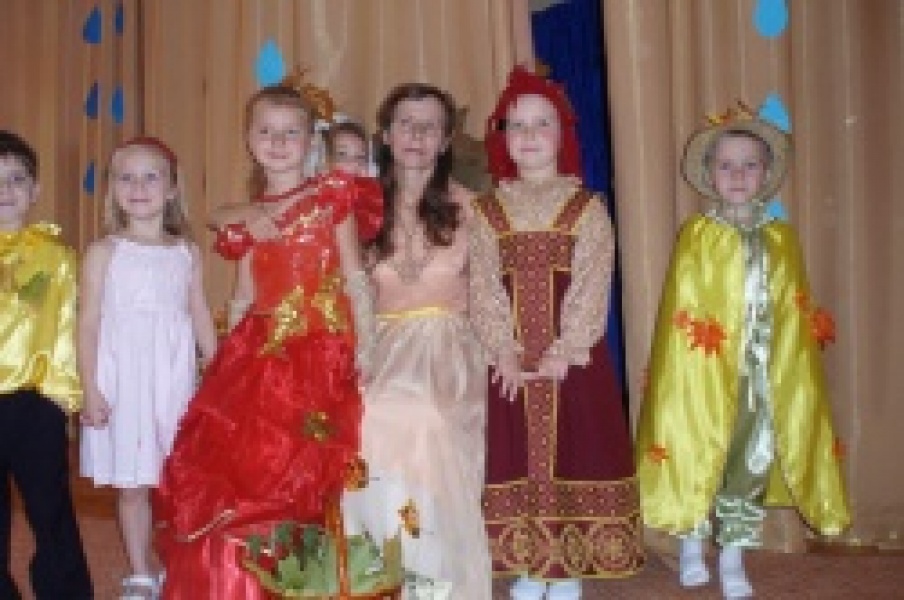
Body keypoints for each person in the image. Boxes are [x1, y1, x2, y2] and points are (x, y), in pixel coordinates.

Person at [152, 83, 380, 599]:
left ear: (310, 141)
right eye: (266, 132)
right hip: (258, 352)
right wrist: (225, 361)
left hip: (318, 351)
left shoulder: (331, 200)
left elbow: (354, 277)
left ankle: (296, 578)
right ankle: (231, 582)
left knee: (294, 470)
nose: (277, 143)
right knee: (235, 471)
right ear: (249, 141)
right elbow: (244, 294)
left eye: (290, 132)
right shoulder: (248, 217)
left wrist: (366, 346)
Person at [634, 103, 851, 598]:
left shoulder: (781, 239)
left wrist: (786, 368)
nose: (737, 175)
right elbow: (681, 309)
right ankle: (692, 544)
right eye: (726, 165)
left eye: (749, 165)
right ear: (710, 174)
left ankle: (732, 554)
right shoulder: (697, 236)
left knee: (750, 461)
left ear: (766, 174)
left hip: (760, 377)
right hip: (702, 374)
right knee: (696, 449)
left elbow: (794, 310)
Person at [469, 66, 644, 600]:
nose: (528, 135)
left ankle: (565, 568)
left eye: (541, 123)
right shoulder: (486, 211)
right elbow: (482, 285)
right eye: (516, 125)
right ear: (502, 137)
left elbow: (593, 280)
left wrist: (567, 349)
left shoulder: (586, 208)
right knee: (518, 454)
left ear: (562, 133)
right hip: (512, 363)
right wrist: (503, 349)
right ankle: (530, 563)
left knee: (573, 450)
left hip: (572, 362)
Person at [341, 82, 492, 599]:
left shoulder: (473, 210)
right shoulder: (360, 208)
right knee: (364, 411)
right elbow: (349, 290)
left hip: (449, 344)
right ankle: (377, 572)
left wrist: (504, 354)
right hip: (377, 339)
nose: (417, 135)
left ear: (446, 140)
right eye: (406, 123)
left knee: (420, 412)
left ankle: (431, 575)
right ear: (385, 134)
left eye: (430, 127)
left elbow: (489, 295)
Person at [79, 136, 217, 598]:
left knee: (178, 478)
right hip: (124, 380)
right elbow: (88, 322)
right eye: (126, 178)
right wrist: (90, 387)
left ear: (172, 187)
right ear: (113, 189)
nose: (138, 187)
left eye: (150, 177)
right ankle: (140, 571)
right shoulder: (104, 252)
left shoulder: (187, 253)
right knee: (134, 481)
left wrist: (218, 370)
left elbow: (199, 313)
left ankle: (180, 564)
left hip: (173, 379)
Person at [0, 130, 92, 599]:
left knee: (50, 506)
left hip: (35, 400)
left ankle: (65, 590)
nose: (5, 190)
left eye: (17, 179)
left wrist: (65, 396)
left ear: (35, 190)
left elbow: (66, 326)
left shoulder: (56, 257)